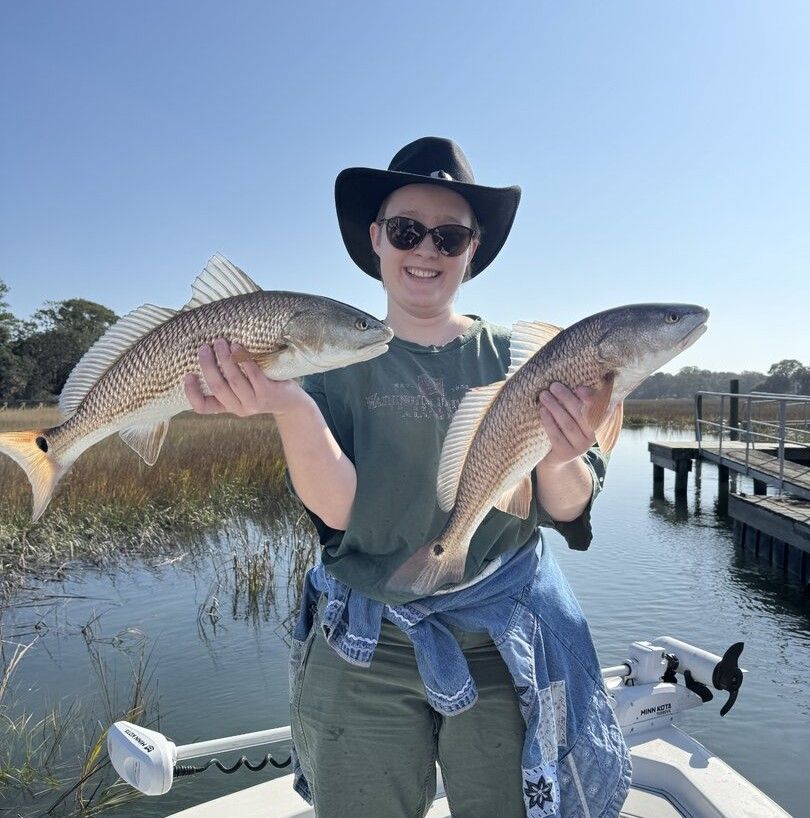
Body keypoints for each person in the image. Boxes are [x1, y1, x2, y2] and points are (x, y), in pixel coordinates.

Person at [185, 137, 631, 818]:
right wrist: (287, 404)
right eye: (406, 230)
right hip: (365, 633)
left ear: (472, 249)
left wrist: (558, 452)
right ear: (376, 239)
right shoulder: (324, 353)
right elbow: (339, 513)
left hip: (499, 637)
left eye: (449, 236)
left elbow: (569, 510)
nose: (426, 250)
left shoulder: (527, 356)